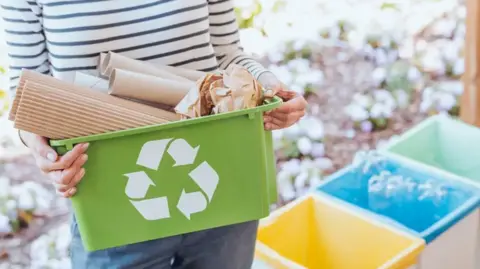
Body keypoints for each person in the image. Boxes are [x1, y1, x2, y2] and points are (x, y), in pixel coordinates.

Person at [1, 0, 307, 268]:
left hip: (220, 178)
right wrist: (44, 152)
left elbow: (227, 54)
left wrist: (271, 88)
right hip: (109, 192)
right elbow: (28, 91)